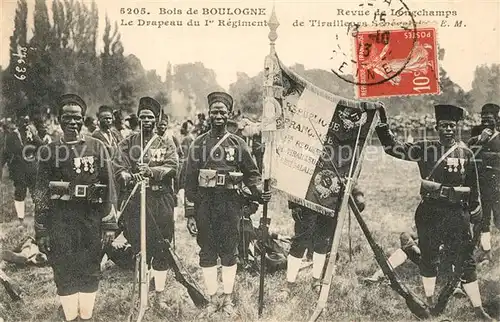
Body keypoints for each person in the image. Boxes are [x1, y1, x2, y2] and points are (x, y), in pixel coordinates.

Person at [376, 103, 493, 320]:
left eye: (452, 126)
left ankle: (479, 310)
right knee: (429, 258)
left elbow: (473, 185)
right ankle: (429, 304)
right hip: (429, 212)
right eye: (444, 126)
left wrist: (476, 209)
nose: (448, 130)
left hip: (456, 214)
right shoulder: (424, 148)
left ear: (457, 127)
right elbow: (392, 147)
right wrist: (382, 123)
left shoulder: (466, 153)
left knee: (465, 261)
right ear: (437, 127)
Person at [184, 91, 271, 317]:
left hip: (230, 204)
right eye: (214, 112)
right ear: (209, 114)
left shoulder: (238, 143)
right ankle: (213, 299)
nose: (218, 116)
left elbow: (252, 173)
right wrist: (190, 212)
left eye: (222, 112)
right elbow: (189, 180)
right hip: (205, 204)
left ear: (229, 114)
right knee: (207, 250)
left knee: (230, 251)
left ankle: (228, 298)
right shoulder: (198, 144)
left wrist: (258, 191)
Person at [34, 94, 118, 321]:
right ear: (59, 120)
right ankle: (71, 316)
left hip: (90, 220)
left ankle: (86, 315)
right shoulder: (49, 151)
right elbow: (40, 193)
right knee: (64, 270)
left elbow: (109, 186)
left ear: (83, 120)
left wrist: (109, 224)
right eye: (67, 118)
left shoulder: (96, 146)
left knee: (90, 268)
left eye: (77, 118)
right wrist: (41, 229)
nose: (73, 122)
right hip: (60, 223)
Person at [113, 97, 179, 309]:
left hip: (160, 200)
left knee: (161, 247)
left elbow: (173, 167)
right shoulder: (128, 142)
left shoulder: (165, 142)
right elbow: (118, 164)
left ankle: (159, 297)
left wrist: (152, 172)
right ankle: (141, 296)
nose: (146, 121)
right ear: (138, 119)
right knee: (140, 248)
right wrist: (125, 175)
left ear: (156, 119)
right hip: (136, 201)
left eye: (150, 117)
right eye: (142, 117)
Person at [281, 185, 365, 298]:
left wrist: (357, 194)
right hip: (307, 201)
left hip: (331, 204)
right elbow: (299, 172)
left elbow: (348, 173)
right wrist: (294, 203)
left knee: (322, 244)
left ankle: (316, 280)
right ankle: (288, 285)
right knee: (300, 243)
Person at [468, 103, 500, 262]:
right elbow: (468, 154)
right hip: (482, 184)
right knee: (483, 219)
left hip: (498, 185)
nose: (486, 122)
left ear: (496, 119)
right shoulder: (476, 136)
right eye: (483, 119)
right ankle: (486, 251)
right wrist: (480, 141)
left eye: (490, 119)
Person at [3, 108, 43, 225]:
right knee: (20, 192)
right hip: (18, 169)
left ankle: (38, 217)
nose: (25, 124)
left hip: (32, 168)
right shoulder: (11, 136)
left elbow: (41, 145)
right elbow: (12, 151)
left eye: (27, 121)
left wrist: (34, 137)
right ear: (17, 121)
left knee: (36, 192)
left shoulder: (31, 134)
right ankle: (21, 219)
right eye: (23, 121)